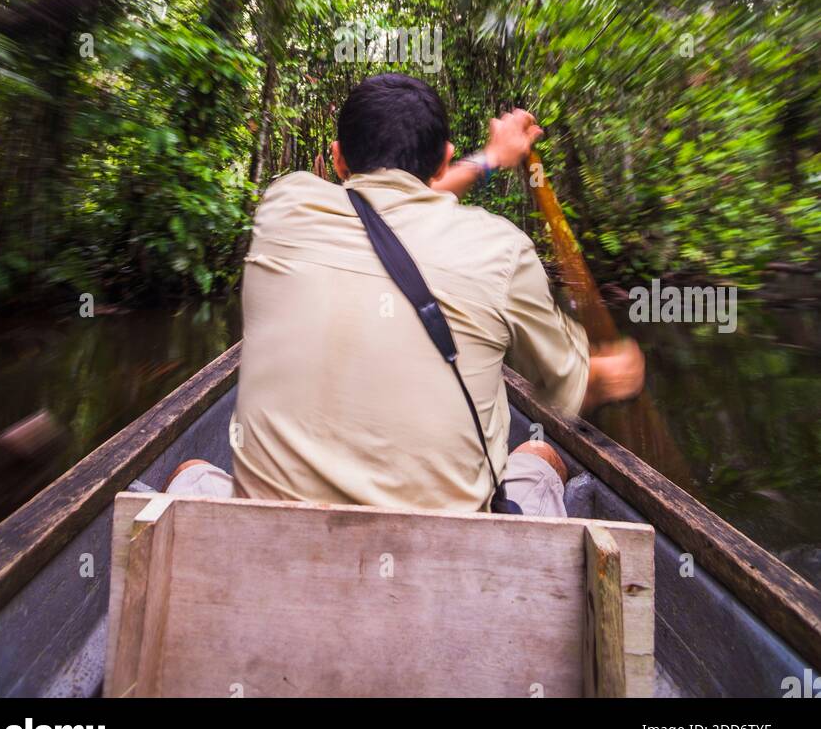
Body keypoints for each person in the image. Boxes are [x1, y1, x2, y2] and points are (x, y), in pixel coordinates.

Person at [167, 73, 644, 515]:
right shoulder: (503, 249)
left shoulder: (283, 206)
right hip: (448, 573)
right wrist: (618, 371)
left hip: (277, 557)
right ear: (443, 159)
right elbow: (577, 385)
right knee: (539, 453)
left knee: (191, 471)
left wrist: (491, 160)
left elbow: (393, 204)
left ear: (336, 158)